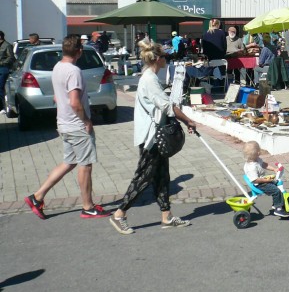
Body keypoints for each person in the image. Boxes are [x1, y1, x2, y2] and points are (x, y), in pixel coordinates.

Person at [110, 40, 197, 235]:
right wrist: (188, 121)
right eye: (164, 56)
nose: (167, 58)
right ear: (157, 59)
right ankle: (119, 214)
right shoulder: (149, 80)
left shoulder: (150, 77)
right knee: (143, 177)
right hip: (152, 138)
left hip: (156, 136)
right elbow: (167, 106)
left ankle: (166, 216)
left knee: (161, 177)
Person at [24, 35, 110, 220]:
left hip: (63, 123)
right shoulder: (74, 71)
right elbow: (75, 103)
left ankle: (37, 197)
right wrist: (87, 121)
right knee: (85, 165)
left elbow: (57, 97)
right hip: (77, 125)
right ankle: (87, 206)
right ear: (79, 51)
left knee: (69, 162)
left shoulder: (57, 67)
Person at [242, 142, 289, 217]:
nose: (260, 151)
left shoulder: (257, 160)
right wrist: (268, 180)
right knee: (276, 190)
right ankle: (278, 209)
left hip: (261, 180)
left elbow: (264, 164)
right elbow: (256, 180)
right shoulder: (252, 167)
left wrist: (274, 169)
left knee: (276, 183)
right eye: (259, 150)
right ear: (257, 153)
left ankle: (277, 202)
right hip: (259, 184)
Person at [0, 30, 14, 113]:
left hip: (3, 68)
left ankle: (3, 107)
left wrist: (1, 63)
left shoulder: (7, 45)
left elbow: (10, 58)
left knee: (1, 87)